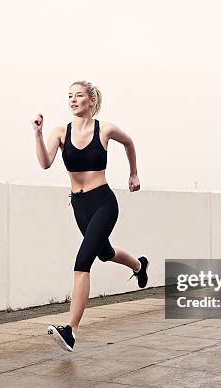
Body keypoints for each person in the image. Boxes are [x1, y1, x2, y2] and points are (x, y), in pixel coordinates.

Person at [32, 80, 149, 352]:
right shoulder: (61, 132)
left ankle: (70, 330)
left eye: (79, 95)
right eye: (70, 96)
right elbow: (45, 163)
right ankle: (140, 266)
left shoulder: (104, 129)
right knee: (104, 252)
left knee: (83, 261)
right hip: (79, 205)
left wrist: (133, 173)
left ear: (92, 101)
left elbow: (129, 142)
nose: (73, 100)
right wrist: (38, 133)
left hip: (104, 203)